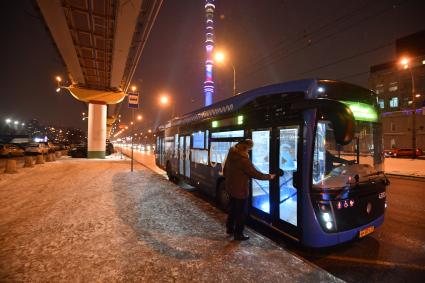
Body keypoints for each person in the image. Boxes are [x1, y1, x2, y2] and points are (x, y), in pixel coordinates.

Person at [223, 139, 275, 241]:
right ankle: (238, 234)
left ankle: (229, 228)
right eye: (249, 150)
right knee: (241, 213)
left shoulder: (231, 155)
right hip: (240, 191)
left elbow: (225, 170)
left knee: (233, 209)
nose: (249, 152)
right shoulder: (243, 160)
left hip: (231, 187)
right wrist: (269, 176)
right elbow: (255, 173)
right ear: (245, 149)